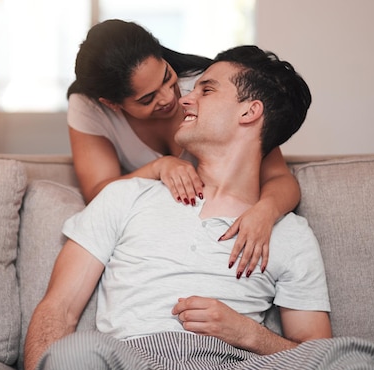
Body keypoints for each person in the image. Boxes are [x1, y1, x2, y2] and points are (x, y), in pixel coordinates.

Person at [1, 45, 374, 370]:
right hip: (135, 367)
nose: (184, 98)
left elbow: (315, 349)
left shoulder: (288, 233)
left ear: (250, 113)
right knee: (74, 355)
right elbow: (59, 307)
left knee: (350, 358)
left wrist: (247, 334)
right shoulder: (127, 197)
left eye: (206, 89)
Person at [67, 19, 302, 277]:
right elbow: (98, 193)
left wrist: (264, 213)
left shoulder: (204, 89)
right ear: (111, 104)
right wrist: (158, 167)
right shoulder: (88, 108)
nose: (171, 98)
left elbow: (281, 178)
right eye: (147, 99)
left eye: (167, 77)